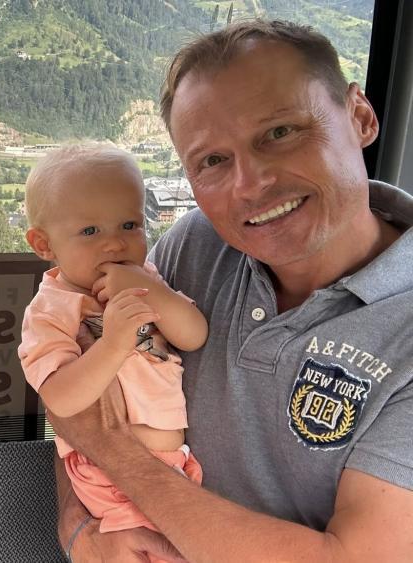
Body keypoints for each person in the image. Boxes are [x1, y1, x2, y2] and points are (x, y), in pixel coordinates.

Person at [51, 20, 413, 562]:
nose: (251, 184)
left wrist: (117, 454)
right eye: (213, 161)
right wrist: (78, 525)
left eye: (280, 132)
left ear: (360, 116)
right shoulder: (193, 249)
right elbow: (82, 395)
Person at [18, 146, 207, 549]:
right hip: (108, 477)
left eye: (129, 224)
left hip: (173, 467)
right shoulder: (51, 310)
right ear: (43, 243)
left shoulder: (147, 278)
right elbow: (61, 399)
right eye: (90, 231)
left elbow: (193, 335)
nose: (115, 245)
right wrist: (113, 345)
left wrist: (155, 293)